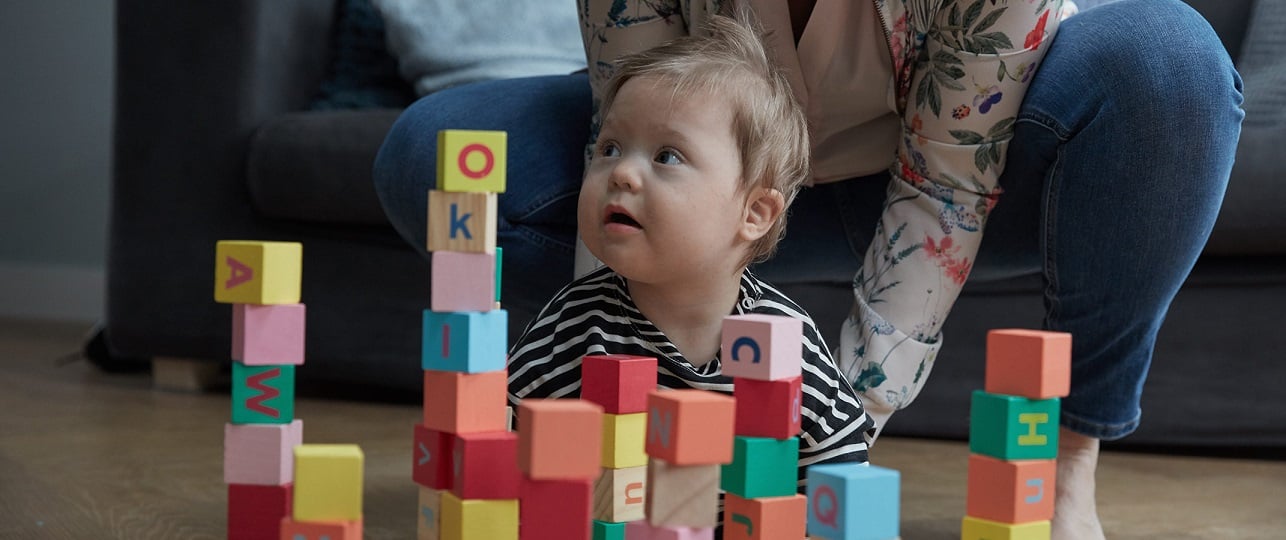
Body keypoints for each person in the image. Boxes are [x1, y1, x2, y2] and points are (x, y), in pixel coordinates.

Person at [373, 1, 1244, 538]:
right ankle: (646, 392)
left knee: (1168, 62)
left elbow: (947, 186)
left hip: (951, 175)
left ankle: (1066, 465)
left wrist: (799, 466)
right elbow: (628, 123)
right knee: (435, 150)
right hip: (699, 175)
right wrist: (595, 426)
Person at [506, 9, 876, 484]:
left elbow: (840, 459)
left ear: (755, 213)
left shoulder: (785, 339)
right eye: (611, 147)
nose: (621, 172)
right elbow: (504, 442)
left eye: (667, 156)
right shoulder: (575, 325)